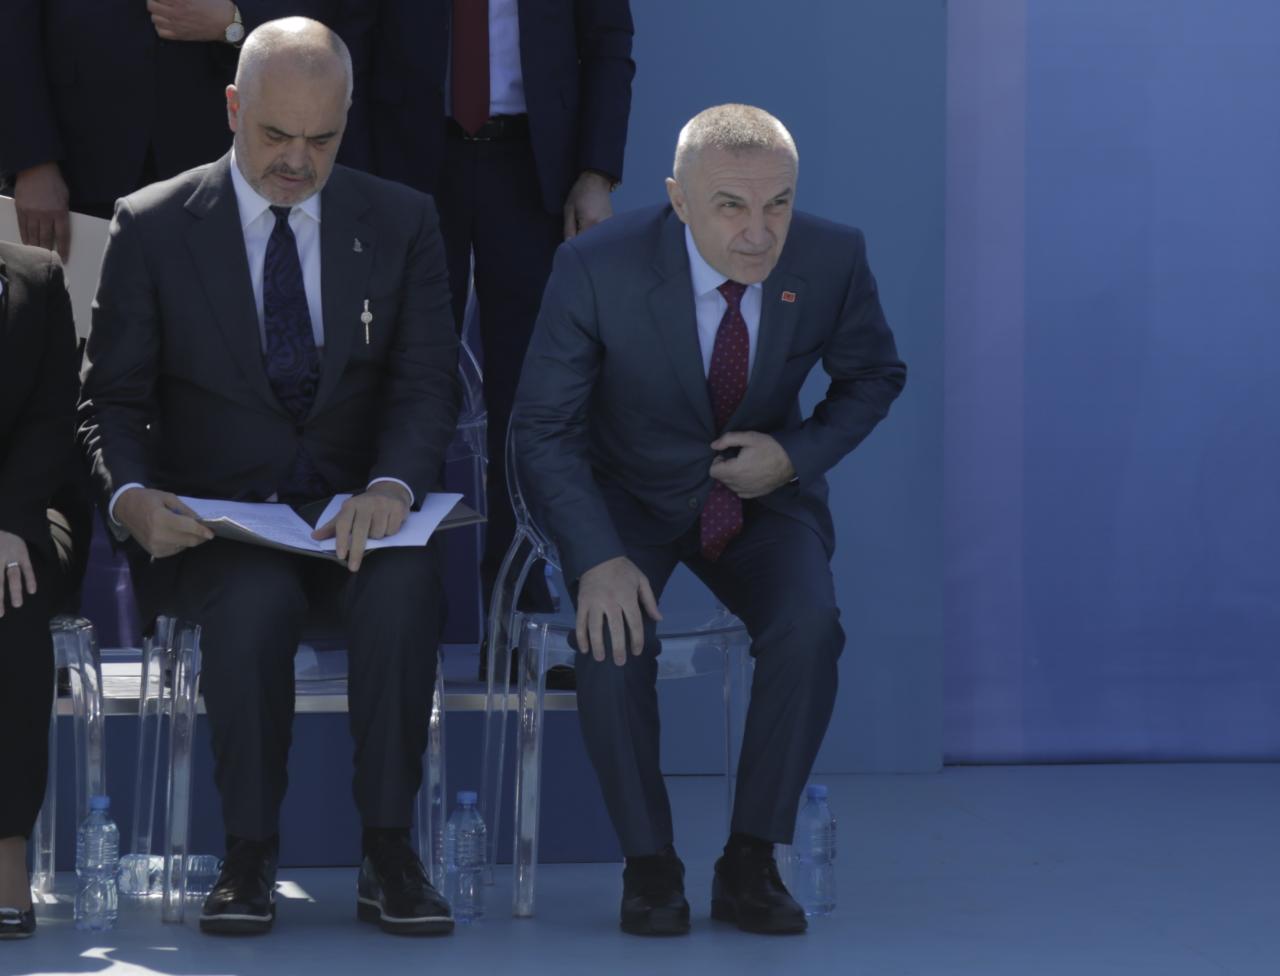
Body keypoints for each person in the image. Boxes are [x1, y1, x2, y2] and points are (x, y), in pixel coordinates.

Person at [77, 18, 460, 937]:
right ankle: (248, 855)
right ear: (231, 107)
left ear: (347, 120)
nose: (297, 160)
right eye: (275, 134)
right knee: (251, 604)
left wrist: (392, 488)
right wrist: (131, 500)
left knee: (405, 587)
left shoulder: (402, 220)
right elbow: (110, 402)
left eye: (321, 139)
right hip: (217, 528)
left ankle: (388, 852)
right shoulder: (153, 223)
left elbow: (425, 385)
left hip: (353, 518)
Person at [512, 104, 907, 935]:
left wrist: (792, 455)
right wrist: (594, 558)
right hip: (629, 498)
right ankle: (649, 865)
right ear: (679, 199)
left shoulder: (832, 257)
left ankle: (751, 860)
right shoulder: (596, 266)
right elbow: (542, 429)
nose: (759, 233)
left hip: (762, 498)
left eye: (778, 204)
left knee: (810, 627)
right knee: (610, 641)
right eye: (731, 205)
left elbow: (874, 375)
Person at [367, 0, 635, 649]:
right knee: (411, 377)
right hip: (407, 157)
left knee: (532, 396)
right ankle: (406, 602)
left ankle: (519, 606)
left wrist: (596, 173)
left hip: (533, 169)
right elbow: (350, 28)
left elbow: (608, 40)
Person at [0, 0, 373, 260]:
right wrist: (32, 161)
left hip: (222, 162)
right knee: (72, 334)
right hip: (78, 165)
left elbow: (331, 16)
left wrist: (236, 21)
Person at [0, 241, 90, 940]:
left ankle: (6, 857)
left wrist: (6, 520)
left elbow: (55, 417)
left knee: (10, 591)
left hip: (27, 510)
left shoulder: (38, 277)